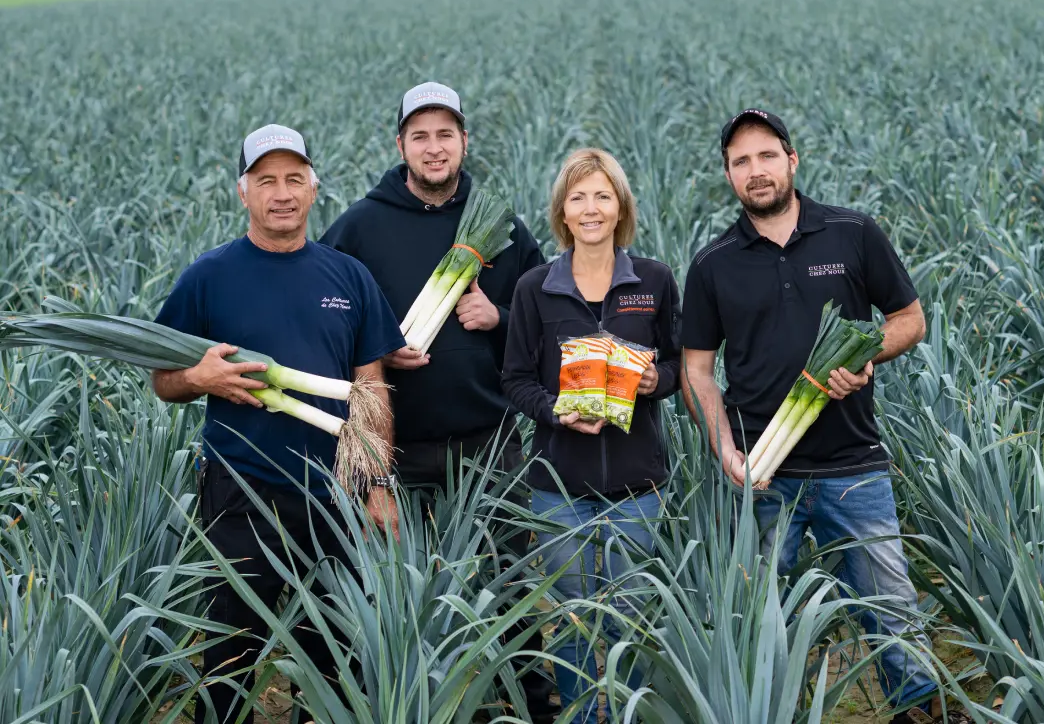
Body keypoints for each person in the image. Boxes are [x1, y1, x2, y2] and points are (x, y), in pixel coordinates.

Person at [679, 108, 965, 724]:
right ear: (728, 175)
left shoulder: (852, 233)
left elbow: (909, 319)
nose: (756, 171)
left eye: (766, 155)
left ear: (792, 159)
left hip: (852, 466)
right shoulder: (713, 263)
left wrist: (865, 354)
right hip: (762, 473)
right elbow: (697, 370)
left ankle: (922, 712)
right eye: (740, 161)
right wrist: (724, 449)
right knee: (763, 624)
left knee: (893, 615)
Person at [318, 82, 558, 721]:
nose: (433, 148)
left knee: (509, 583)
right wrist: (379, 347)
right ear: (401, 146)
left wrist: (498, 315)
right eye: (419, 136)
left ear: (464, 142)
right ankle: (431, 705)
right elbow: (325, 323)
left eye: (444, 134)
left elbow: (544, 322)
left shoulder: (500, 224)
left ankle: (532, 707)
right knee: (400, 590)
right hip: (397, 450)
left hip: (489, 442)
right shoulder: (360, 227)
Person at [152, 124, 405, 724]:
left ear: (314, 190)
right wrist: (198, 380)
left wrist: (378, 485)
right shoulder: (207, 277)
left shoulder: (348, 277)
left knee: (338, 657)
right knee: (230, 655)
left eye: (294, 179)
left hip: (334, 494)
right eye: (266, 180)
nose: (282, 193)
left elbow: (370, 389)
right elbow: (163, 380)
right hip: (239, 490)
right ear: (243, 193)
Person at [502, 147, 683, 724]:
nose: (591, 208)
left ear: (620, 206)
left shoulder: (653, 280)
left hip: (639, 488)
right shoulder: (536, 288)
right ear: (562, 210)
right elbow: (514, 380)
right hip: (560, 490)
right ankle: (582, 714)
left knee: (629, 618)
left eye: (603, 196)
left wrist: (656, 380)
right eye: (578, 197)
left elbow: (681, 367)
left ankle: (627, 714)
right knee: (573, 619)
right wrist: (557, 413)